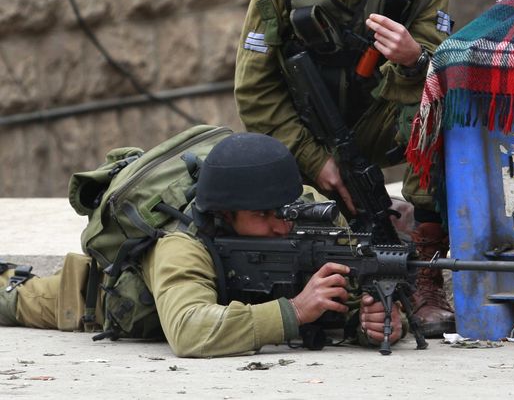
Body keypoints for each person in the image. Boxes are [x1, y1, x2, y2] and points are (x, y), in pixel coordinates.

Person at [234, 0, 455, 336]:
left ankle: (422, 265)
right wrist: (318, 161)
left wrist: (413, 57)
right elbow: (255, 89)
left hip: (385, 122)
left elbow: (438, 59)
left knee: (449, 104)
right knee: (238, 169)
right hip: (307, 138)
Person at [0, 132, 404, 358]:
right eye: (261, 216)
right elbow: (189, 332)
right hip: (94, 299)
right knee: (11, 297)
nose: (282, 226)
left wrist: (372, 321)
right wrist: (295, 311)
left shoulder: (314, 221)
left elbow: (348, 297)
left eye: (284, 211)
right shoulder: (182, 244)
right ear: (225, 215)